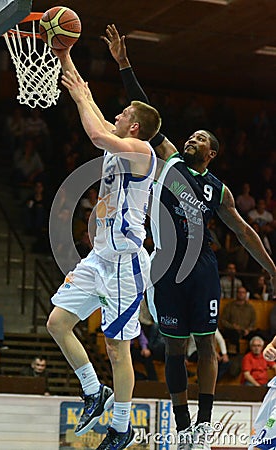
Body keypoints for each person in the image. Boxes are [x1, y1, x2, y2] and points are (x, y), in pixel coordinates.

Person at [102, 24, 276, 450]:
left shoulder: (218, 189)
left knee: (207, 348)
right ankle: (182, 429)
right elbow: (146, 113)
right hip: (165, 268)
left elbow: (244, 230)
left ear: (211, 153)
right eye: (192, 135)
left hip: (202, 268)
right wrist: (125, 65)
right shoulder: (170, 161)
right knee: (175, 352)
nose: (192, 138)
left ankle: (202, 426)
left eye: (201, 138)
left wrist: (272, 267)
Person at [46, 45, 161, 450]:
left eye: (123, 115)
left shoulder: (142, 152)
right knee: (58, 323)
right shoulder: (119, 143)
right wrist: (65, 57)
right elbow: (89, 100)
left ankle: (121, 426)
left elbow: (95, 129)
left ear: (135, 127)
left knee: (117, 347)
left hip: (126, 264)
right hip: (99, 259)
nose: (116, 117)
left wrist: (81, 98)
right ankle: (94, 392)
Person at [248, 335, 276, 450]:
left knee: (263, 442)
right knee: (258, 434)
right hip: (274, 393)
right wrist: (268, 352)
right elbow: (271, 346)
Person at [220, 286, 256, 354]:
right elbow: (223, 321)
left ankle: (247, 355)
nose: (241, 294)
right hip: (232, 330)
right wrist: (232, 327)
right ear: (236, 294)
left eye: (243, 292)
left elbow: (253, 321)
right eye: (239, 292)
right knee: (233, 334)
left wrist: (248, 329)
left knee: (256, 336)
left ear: (246, 294)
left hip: (245, 331)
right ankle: (234, 354)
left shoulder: (250, 308)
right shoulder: (229, 306)